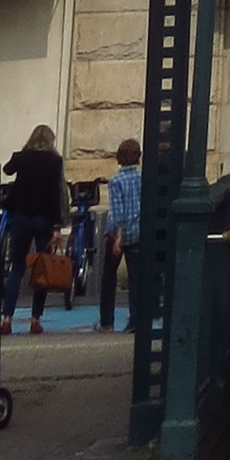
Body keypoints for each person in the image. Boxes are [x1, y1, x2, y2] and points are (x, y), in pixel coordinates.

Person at [0, 122, 68, 333]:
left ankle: (7, 318)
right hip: (43, 219)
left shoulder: (22, 158)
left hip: (20, 216)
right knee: (42, 268)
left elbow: (7, 169)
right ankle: (35, 319)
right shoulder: (55, 161)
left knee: (17, 267)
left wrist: (19, 154)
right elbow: (55, 194)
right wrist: (57, 226)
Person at [98, 137, 143, 332]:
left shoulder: (116, 181)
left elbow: (117, 212)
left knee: (109, 277)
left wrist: (118, 237)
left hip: (118, 235)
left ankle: (107, 321)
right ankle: (135, 320)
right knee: (136, 279)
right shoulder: (143, 178)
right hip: (137, 232)